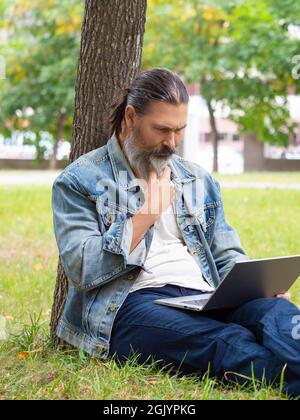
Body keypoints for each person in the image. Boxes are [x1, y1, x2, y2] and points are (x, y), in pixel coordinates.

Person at [52, 67, 300, 397]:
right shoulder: (79, 181)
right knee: (228, 342)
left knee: (279, 316)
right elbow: (82, 269)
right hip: (133, 306)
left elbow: (225, 252)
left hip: (204, 296)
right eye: (162, 130)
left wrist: (257, 288)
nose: (171, 142)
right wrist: (147, 213)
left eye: (179, 130)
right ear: (130, 117)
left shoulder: (197, 179)